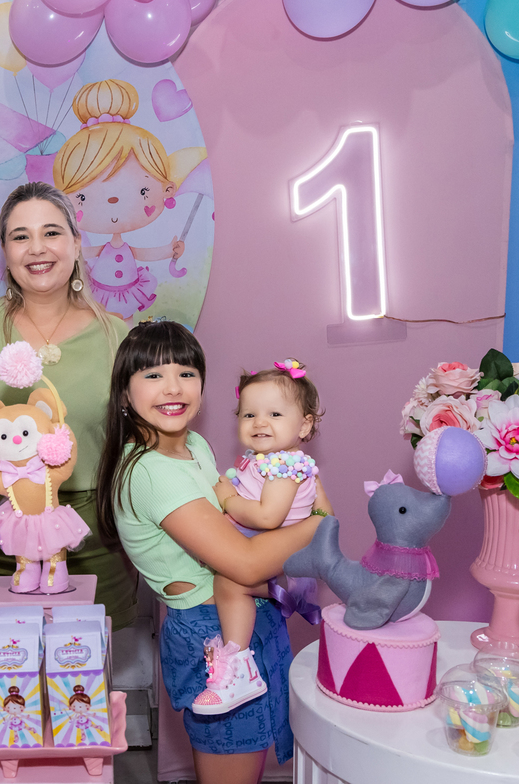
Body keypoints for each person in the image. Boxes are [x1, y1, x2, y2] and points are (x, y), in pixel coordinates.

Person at [96, 320, 321, 783]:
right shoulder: (153, 472)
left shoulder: (194, 445)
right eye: (153, 375)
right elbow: (244, 562)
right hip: (210, 633)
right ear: (124, 392)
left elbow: (241, 522)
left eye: (186, 372)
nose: (173, 387)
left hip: (243, 616)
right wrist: (321, 522)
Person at [0, 182, 138, 628]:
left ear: (77, 243)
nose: (36, 248)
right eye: (20, 236)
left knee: (81, 688)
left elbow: (141, 447)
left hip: (85, 537)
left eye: (52, 232)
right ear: (4, 251)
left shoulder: (116, 337)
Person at [191, 360, 332, 715]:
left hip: (285, 566)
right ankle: (235, 661)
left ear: (305, 424)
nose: (260, 422)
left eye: (274, 414)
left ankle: (237, 666)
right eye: (248, 414)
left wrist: (227, 500)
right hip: (271, 556)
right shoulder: (263, 461)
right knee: (226, 576)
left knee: (230, 582)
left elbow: (269, 517)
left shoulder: (286, 466)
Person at [53, 79, 188, 321]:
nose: (113, 201)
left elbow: (142, 253)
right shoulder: (97, 248)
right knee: (98, 322)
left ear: (167, 190)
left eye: (141, 191)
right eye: (82, 196)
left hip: (128, 289)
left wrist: (169, 250)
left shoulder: (127, 248)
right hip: (100, 292)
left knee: (124, 325)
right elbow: (81, 252)